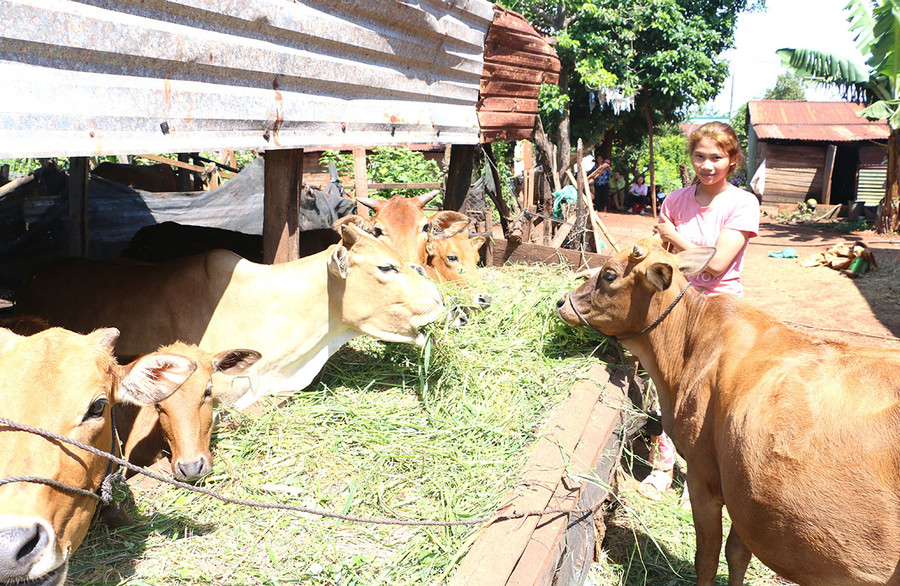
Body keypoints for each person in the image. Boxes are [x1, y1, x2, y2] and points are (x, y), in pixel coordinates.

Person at [638, 121, 760, 508]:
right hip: (674, 308)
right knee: (666, 391)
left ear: (732, 159)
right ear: (691, 158)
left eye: (717, 157)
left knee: (709, 400)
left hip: (719, 310)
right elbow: (664, 261)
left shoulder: (741, 203)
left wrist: (673, 237)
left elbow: (717, 264)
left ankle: (703, 479)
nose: (707, 165)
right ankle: (662, 468)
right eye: (700, 156)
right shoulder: (674, 200)